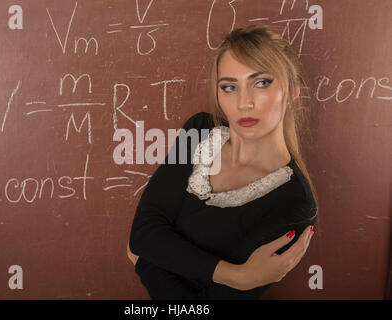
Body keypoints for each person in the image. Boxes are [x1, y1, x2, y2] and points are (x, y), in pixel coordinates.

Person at [127, 24, 318, 299]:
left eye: (261, 82)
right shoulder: (199, 130)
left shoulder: (294, 203)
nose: (244, 102)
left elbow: (139, 248)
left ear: (292, 91)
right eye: (229, 87)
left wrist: (144, 261)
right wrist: (237, 276)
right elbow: (143, 234)